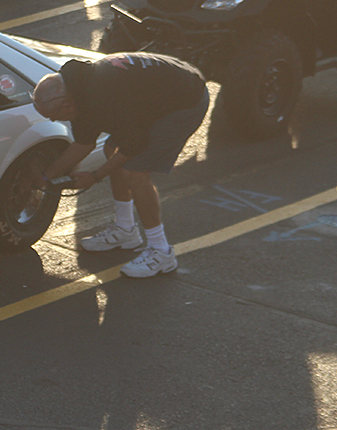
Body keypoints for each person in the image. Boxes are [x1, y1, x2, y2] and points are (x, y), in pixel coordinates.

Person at [30, 53, 209, 278]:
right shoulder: (76, 88)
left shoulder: (102, 97)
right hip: (156, 92)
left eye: (54, 116)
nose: (55, 121)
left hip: (185, 99)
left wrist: (95, 176)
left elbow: (134, 145)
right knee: (111, 150)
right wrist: (45, 177)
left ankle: (161, 251)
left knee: (134, 170)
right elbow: (84, 143)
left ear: (66, 104)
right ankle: (125, 229)